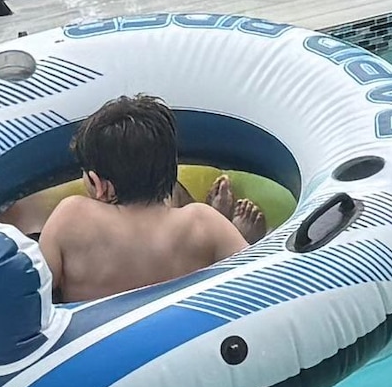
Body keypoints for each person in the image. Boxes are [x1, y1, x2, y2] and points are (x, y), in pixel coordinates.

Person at [29, 91, 256, 303]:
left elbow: (34, 296)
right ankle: (237, 237)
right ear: (171, 170)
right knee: (226, 244)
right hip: (183, 326)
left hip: (100, 330)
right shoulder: (202, 222)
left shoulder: (72, 218)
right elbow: (258, 279)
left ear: (99, 185)